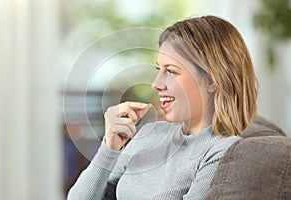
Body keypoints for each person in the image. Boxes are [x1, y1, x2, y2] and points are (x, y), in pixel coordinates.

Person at [67, 15, 257, 200]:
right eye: (159, 70)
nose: (156, 84)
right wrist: (109, 148)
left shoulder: (223, 151)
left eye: (171, 71)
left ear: (212, 80)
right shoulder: (150, 133)